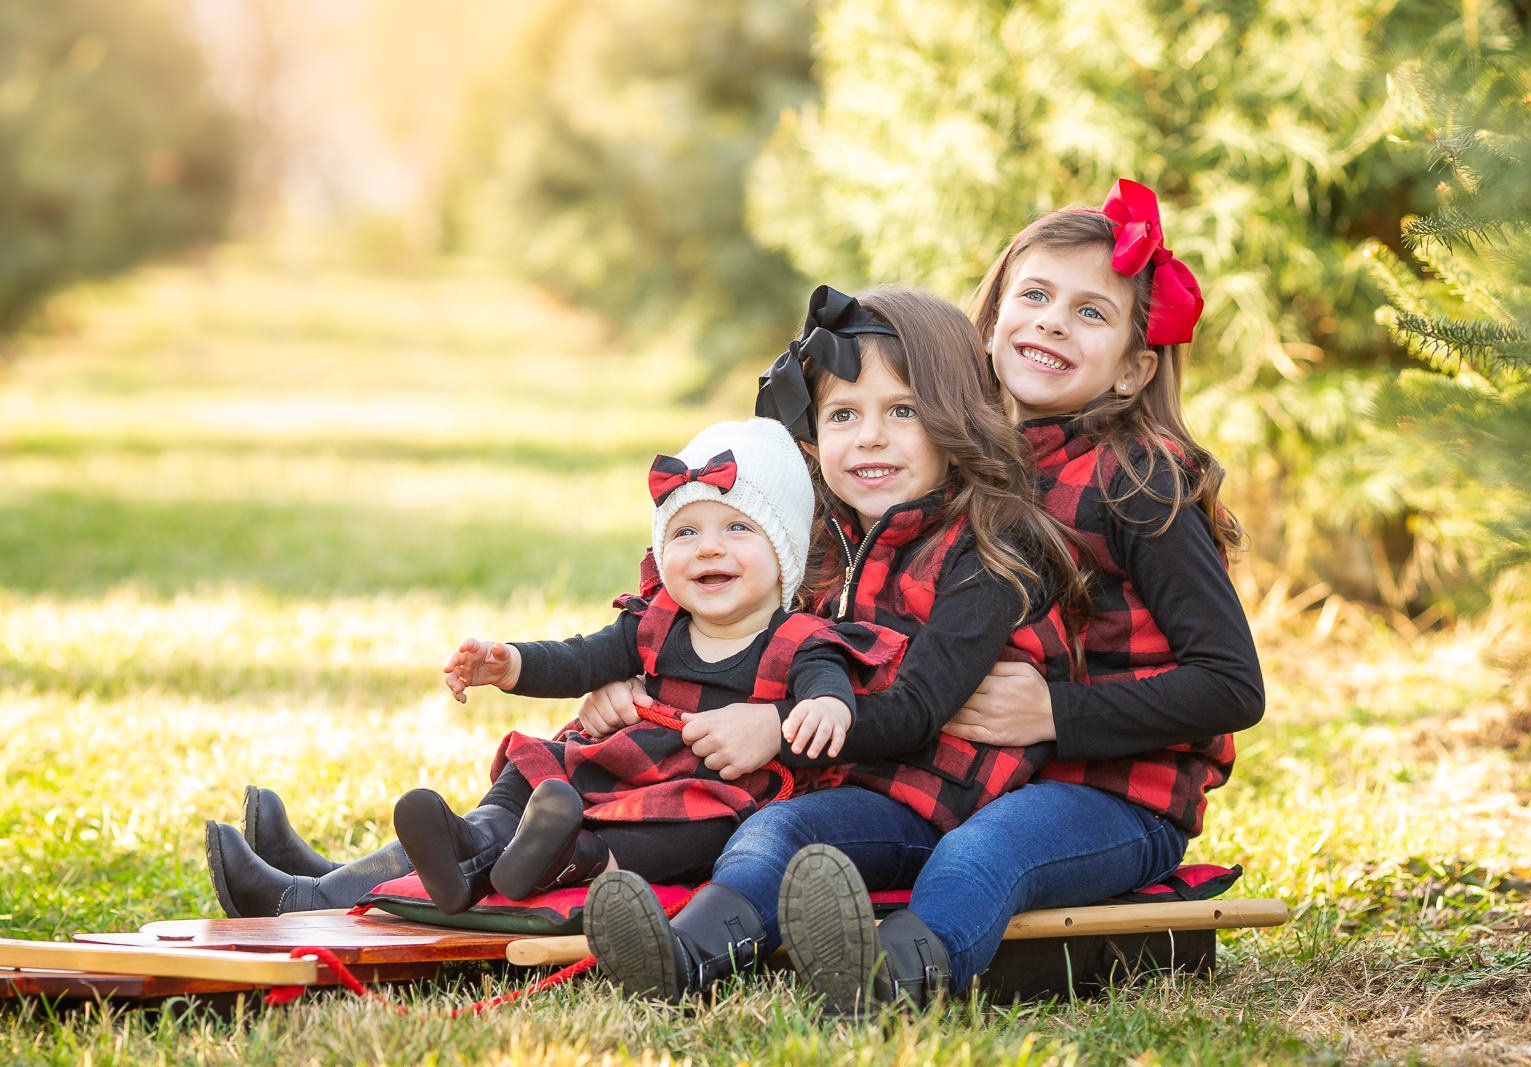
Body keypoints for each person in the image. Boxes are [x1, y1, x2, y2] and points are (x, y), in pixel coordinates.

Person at [767, 178, 1266, 1011]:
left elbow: (1232, 685)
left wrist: (1054, 713)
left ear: (1135, 367)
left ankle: (891, 986)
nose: (1051, 321)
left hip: (1112, 794)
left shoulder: (1138, 480)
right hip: (968, 779)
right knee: (811, 827)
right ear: (991, 321)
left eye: (1091, 312)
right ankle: (723, 936)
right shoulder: (954, 457)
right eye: (1033, 294)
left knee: (982, 857)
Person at [582, 284, 1084, 1000]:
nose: (868, 437)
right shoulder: (825, 534)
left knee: (789, 830)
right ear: (813, 433)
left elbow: (917, 709)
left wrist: (778, 726)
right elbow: (716, 603)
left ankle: (888, 978)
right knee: (756, 828)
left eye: (902, 411)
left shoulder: (990, 555)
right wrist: (635, 671)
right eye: (844, 414)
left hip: (936, 801)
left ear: (956, 421)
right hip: (841, 783)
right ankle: (683, 955)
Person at [203, 417, 908, 917]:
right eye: (685, 532)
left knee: (691, 828)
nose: (707, 549)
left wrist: (820, 710)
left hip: (691, 795)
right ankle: (434, 853)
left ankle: (548, 857)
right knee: (533, 770)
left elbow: (828, 692)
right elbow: (578, 658)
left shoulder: (804, 639)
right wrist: (508, 662)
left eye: (736, 529)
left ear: (784, 551)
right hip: (609, 767)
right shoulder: (653, 623)